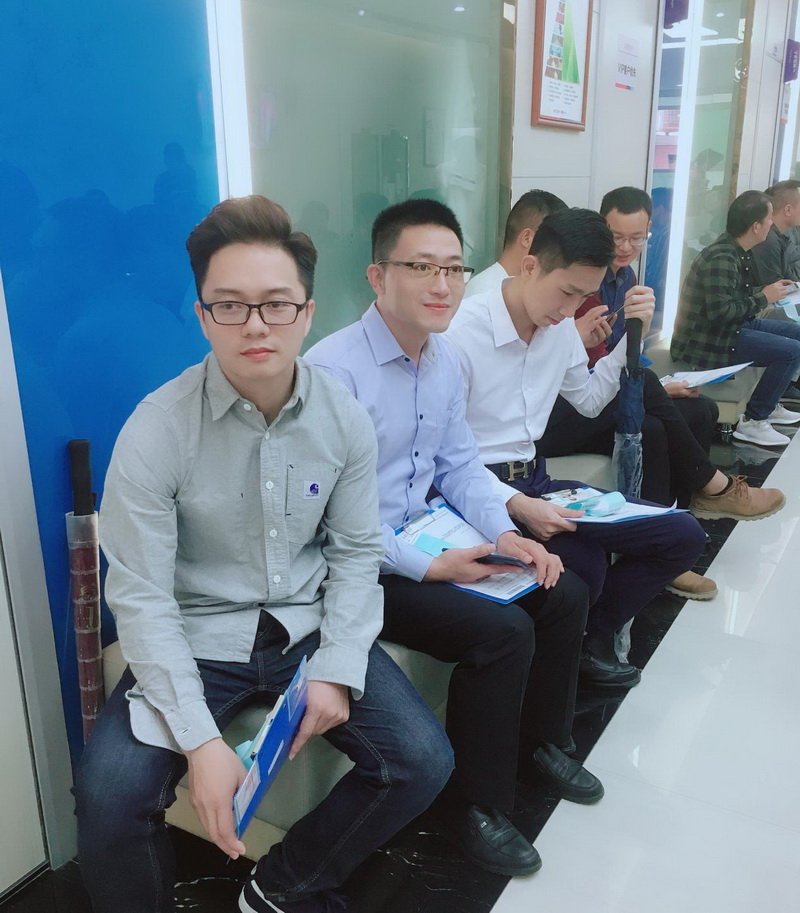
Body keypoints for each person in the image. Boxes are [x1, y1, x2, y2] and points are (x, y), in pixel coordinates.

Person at [74, 195, 454, 913]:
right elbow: (142, 596)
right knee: (108, 798)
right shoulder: (157, 428)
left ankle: (282, 884)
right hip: (196, 633)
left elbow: (355, 554)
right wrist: (200, 743)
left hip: (303, 625)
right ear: (202, 316)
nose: (255, 324)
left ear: (307, 312)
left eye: (277, 304)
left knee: (423, 761)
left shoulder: (342, 417)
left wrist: (338, 667)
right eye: (230, 305)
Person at [307, 199, 602, 881]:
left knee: (562, 590)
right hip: (360, 566)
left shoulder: (441, 359)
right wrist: (430, 564)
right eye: (421, 268)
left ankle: (542, 743)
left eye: (453, 269)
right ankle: (474, 804)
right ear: (378, 276)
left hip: (428, 533)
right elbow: (326, 521)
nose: (442, 285)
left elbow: (461, 466)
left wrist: (505, 531)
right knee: (501, 633)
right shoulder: (333, 373)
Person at [445, 208, 708, 683]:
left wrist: (630, 338)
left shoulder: (559, 326)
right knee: (584, 566)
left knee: (683, 534)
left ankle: (585, 640)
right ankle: (571, 657)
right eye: (567, 292)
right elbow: (447, 458)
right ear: (530, 265)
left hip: (536, 479)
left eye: (585, 296)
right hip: (477, 491)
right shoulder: (461, 332)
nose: (571, 311)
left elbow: (588, 401)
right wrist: (516, 503)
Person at [536, 188, 785, 600]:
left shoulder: (622, 280)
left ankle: (680, 525)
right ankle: (708, 495)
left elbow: (605, 366)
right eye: (616, 237)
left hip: (590, 394)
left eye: (636, 238)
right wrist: (581, 341)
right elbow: (577, 373)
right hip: (560, 413)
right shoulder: (571, 286)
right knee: (651, 413)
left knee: (695, 411)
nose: (625, 247)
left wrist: (639, 363)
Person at [671, 189, 800, 447]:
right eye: (768, 219)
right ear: (756, 226)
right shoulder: (722, 257)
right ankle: (754, 421)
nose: (771, 224)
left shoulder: (737, 250)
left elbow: (735, 296)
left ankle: (771, 403)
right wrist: (764, 298)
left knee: (796, 334)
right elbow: (721, 313)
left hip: (731, 327)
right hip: (712, 338)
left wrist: (768, 292)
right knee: (791, 350)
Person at [464, 189, 568, 298]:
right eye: (555, 244)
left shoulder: (523, 290)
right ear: (527, 238)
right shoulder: (484, 291)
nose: (559, 254)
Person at [751, 180, 800, 287]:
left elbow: (792, 282)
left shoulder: (779, 238)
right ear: (788, 210)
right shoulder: (767, 239)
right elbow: (775, 289)